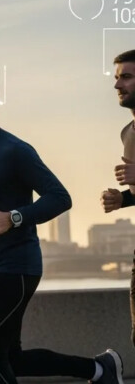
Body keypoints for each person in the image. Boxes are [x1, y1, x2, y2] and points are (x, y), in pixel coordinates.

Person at [0, 74, 123, 384]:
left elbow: (60, 198)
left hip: (16, 265)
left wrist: (14, 217)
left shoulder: (15, 150)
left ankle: (100, 370)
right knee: (10, 358)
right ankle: (99, 369)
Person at [102, 49, 135, 353]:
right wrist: (122, 199)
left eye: (126, 77)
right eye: (116, 78)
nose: (117, 85)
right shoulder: (128, 132)